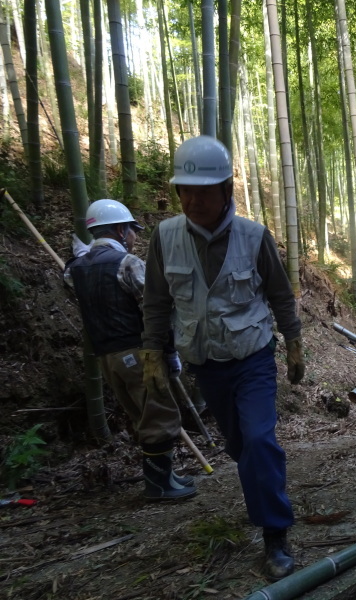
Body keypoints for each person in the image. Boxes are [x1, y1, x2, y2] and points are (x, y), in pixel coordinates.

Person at [141, 135, 305, 581]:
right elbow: (156, 301)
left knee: (258, 441)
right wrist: (153, 350)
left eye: (204, 191)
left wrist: (293, 342)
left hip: (252, 358)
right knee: (239, 446)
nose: (194, 201)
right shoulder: (165, 237)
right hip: (206, 364)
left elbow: (280, 295)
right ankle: (264, 495)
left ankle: (275, 536)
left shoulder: (254, 236)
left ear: (227, 189)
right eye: (185, 191)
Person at [64, 199, 196, 502]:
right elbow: (154, 312)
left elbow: (72, 280)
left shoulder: (77, 266)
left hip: (106, 358)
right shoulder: (127, 263)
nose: (136, 237)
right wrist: (169, 350)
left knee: (141, 415)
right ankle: (160, 486)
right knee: (159, 414)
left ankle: (163, 476)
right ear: (122, 230)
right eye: (133, 231)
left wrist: (82, 258)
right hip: (138, 354)